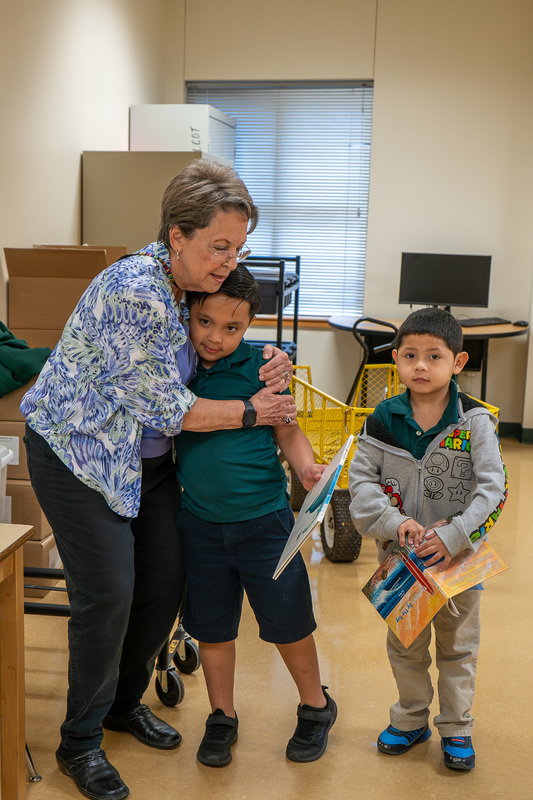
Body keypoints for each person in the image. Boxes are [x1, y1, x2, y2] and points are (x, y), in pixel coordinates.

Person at [21, 160, 296, 800]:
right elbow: (172, 409)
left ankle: (122, 703)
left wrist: (267, 359)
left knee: (166, 580)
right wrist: (257, 411)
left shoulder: (189, 286)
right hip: (78, 457)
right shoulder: (135, 291)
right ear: (178, 235)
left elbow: (217, 341)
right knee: (110, 591)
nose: (228, 261)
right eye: (218, 246)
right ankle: (79, 741)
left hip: (145, 461)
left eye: (238, 248)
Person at [173, 264, 337, 768]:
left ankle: (315, 707)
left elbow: (287, 429)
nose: (215, 338)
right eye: (205, 322)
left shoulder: (262, 366)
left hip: (265, 522)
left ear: (248, 327)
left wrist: (307, 469)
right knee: (213, 629)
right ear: (187, 314)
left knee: (288, 622)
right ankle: (222, 715)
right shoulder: (177, 365)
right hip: (199, 524)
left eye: (232, 328)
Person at [348, 307, 507, 771]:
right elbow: (361, 484)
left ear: (457, 363)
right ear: (395, 358)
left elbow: (493, 490)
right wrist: (394, 523)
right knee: (406, 646)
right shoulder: (382, 420)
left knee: (458, 648)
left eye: (434, 356)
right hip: (401, 563)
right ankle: (411, 718)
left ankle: (457, 728)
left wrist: (457, 534)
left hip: (458, 563)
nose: (420, 366)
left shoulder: (475, 420)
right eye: (410, 355)